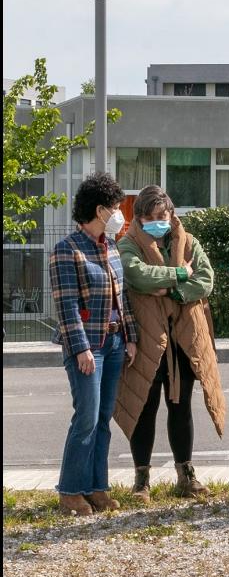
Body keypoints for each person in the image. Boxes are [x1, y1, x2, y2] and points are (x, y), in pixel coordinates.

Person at [114, 185, 224, 501]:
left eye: (161, 217)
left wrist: (174, 291)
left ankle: (185, 475)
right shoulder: (128, 244)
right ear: (139, 218)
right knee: (144, 407)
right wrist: (179, 274)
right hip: (148, 339)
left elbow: (206, 279)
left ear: (171, 214)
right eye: (148, 218)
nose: (156, 223)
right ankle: (141, 480)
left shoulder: (188, 242)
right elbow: (137, 276)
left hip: (183, 340)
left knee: (181, 405)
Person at [49, 173, 137, 515]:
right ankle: (70, 491)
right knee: (85, 417)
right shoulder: (66, 249)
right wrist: (82, 347)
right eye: (115, 207)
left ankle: (97, 487)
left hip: (115, 343)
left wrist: (130, 338)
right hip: (88, 347)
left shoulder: (111, 246)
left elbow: (122, 299)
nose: (119, 213)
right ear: (99, 210)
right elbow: (66, 304)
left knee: (102, 419)